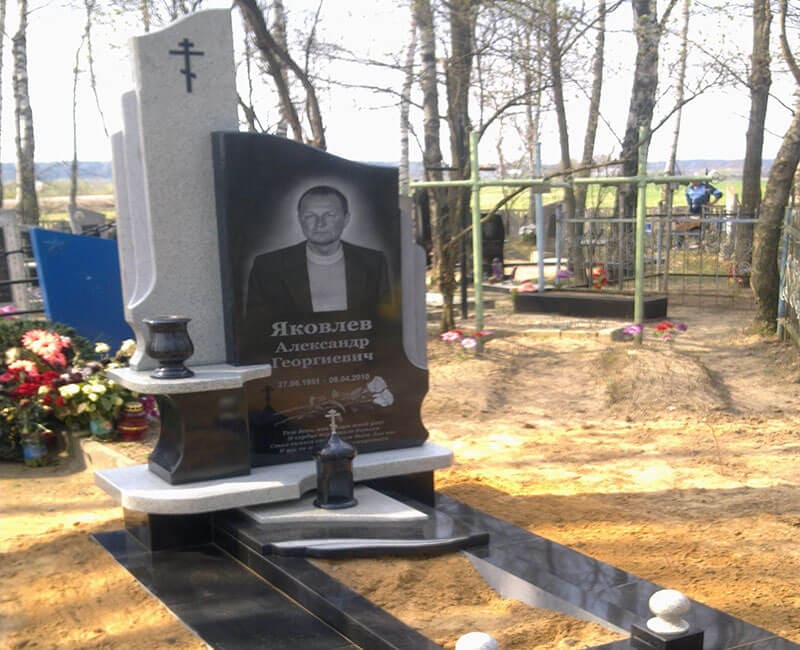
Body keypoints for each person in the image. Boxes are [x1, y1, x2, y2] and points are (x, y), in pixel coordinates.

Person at [245, 185, 392, 324]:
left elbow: (385, 326)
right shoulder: (267, 267)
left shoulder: (374, 262)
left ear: (346, 219)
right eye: (310, 216)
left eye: (330, 215)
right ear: (300, 219)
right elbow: (257, 330)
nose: (320, 224)